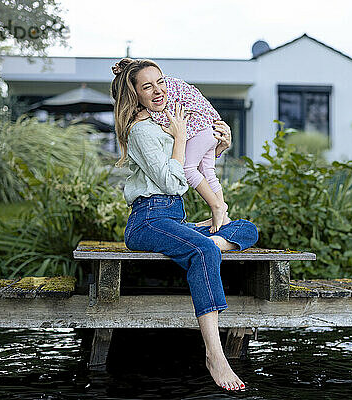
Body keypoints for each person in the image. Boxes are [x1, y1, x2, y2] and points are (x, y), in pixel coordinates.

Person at [110, 58, 259, 392]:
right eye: (147, 86)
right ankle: (215, 355)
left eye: (160, 82)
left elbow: (196, 161)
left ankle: (205, 248)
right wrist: (179, 137)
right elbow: (172, 182)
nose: (158, 90)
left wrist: (219, 142)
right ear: (135, 94)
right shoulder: (141, 130)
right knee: (204, 249)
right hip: (148, 220)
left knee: (246, 228)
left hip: (172, 219)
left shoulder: (164, 122)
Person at [146, 75, 229, 233]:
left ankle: (216, 206)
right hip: (212, 127)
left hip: (200, 131)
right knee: (209, 172)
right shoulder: (169, 82)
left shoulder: (161, 90)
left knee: (187, 169)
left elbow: (165, 116)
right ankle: (222, 213)